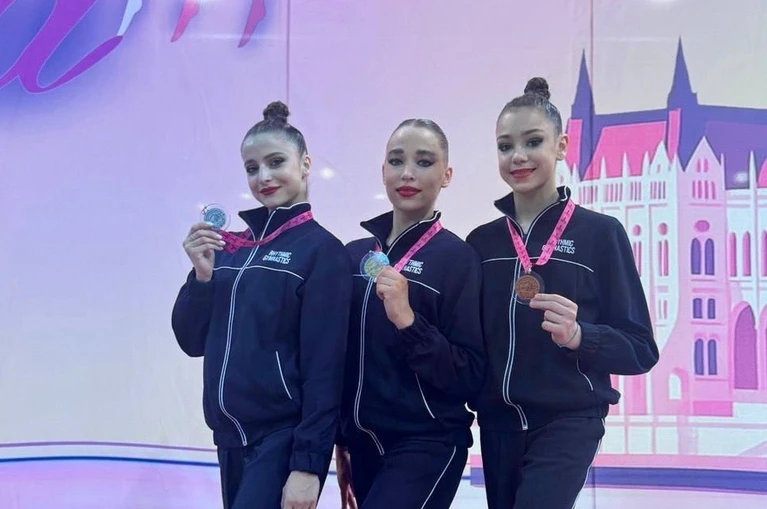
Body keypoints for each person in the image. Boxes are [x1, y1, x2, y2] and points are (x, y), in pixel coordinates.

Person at [466, 77, 659, 509]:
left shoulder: (600, 234)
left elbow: (641, 349)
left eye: (533, 141)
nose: (517, 156)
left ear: (561, 146)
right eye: (505, 146)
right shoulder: (481, 243)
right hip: (498, 424)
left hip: (570, 419)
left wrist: (580, 335)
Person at [171, 101, 353, 509]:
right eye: (252, 168)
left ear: (305, 165)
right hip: (229, 440)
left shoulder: (322, 252)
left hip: (281, 439)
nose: (263, 177)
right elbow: (191, 341)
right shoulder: (230, 249)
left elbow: (325, 368)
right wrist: (201, 278)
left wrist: (308, 465)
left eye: (276, 162)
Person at [334, 119, 485, 509]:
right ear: (383, 170)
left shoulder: (458, 259)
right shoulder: (352, 256)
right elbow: (339, 360)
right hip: (364, 443)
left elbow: (471, 374)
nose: (407, 173)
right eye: (397, 161)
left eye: (424, 162)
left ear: (446, 175)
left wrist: (409, 321)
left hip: (428, 441)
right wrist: (340, 440)